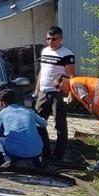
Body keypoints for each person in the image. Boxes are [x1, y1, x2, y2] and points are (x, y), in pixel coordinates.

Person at [34, 26, 75, 162]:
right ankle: (44, 151)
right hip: (43, 92)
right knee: (38, 122)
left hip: (58, 93)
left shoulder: (66, 53)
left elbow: (71, 76)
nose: (50, 41)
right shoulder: (45, 51)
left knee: (60, 125)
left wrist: (70, 94)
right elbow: (42, 71)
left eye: (54, 39)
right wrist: (37, 88)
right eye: (48, 39)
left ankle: (58, 155)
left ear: (61, 39)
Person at [0, 89, 46, 168]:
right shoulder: (29, 111)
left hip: (15, 153)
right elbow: (43, 123)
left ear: (2, 102)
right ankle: (35, 160)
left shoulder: (1, 114)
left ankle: (9, 160)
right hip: (36, 152)